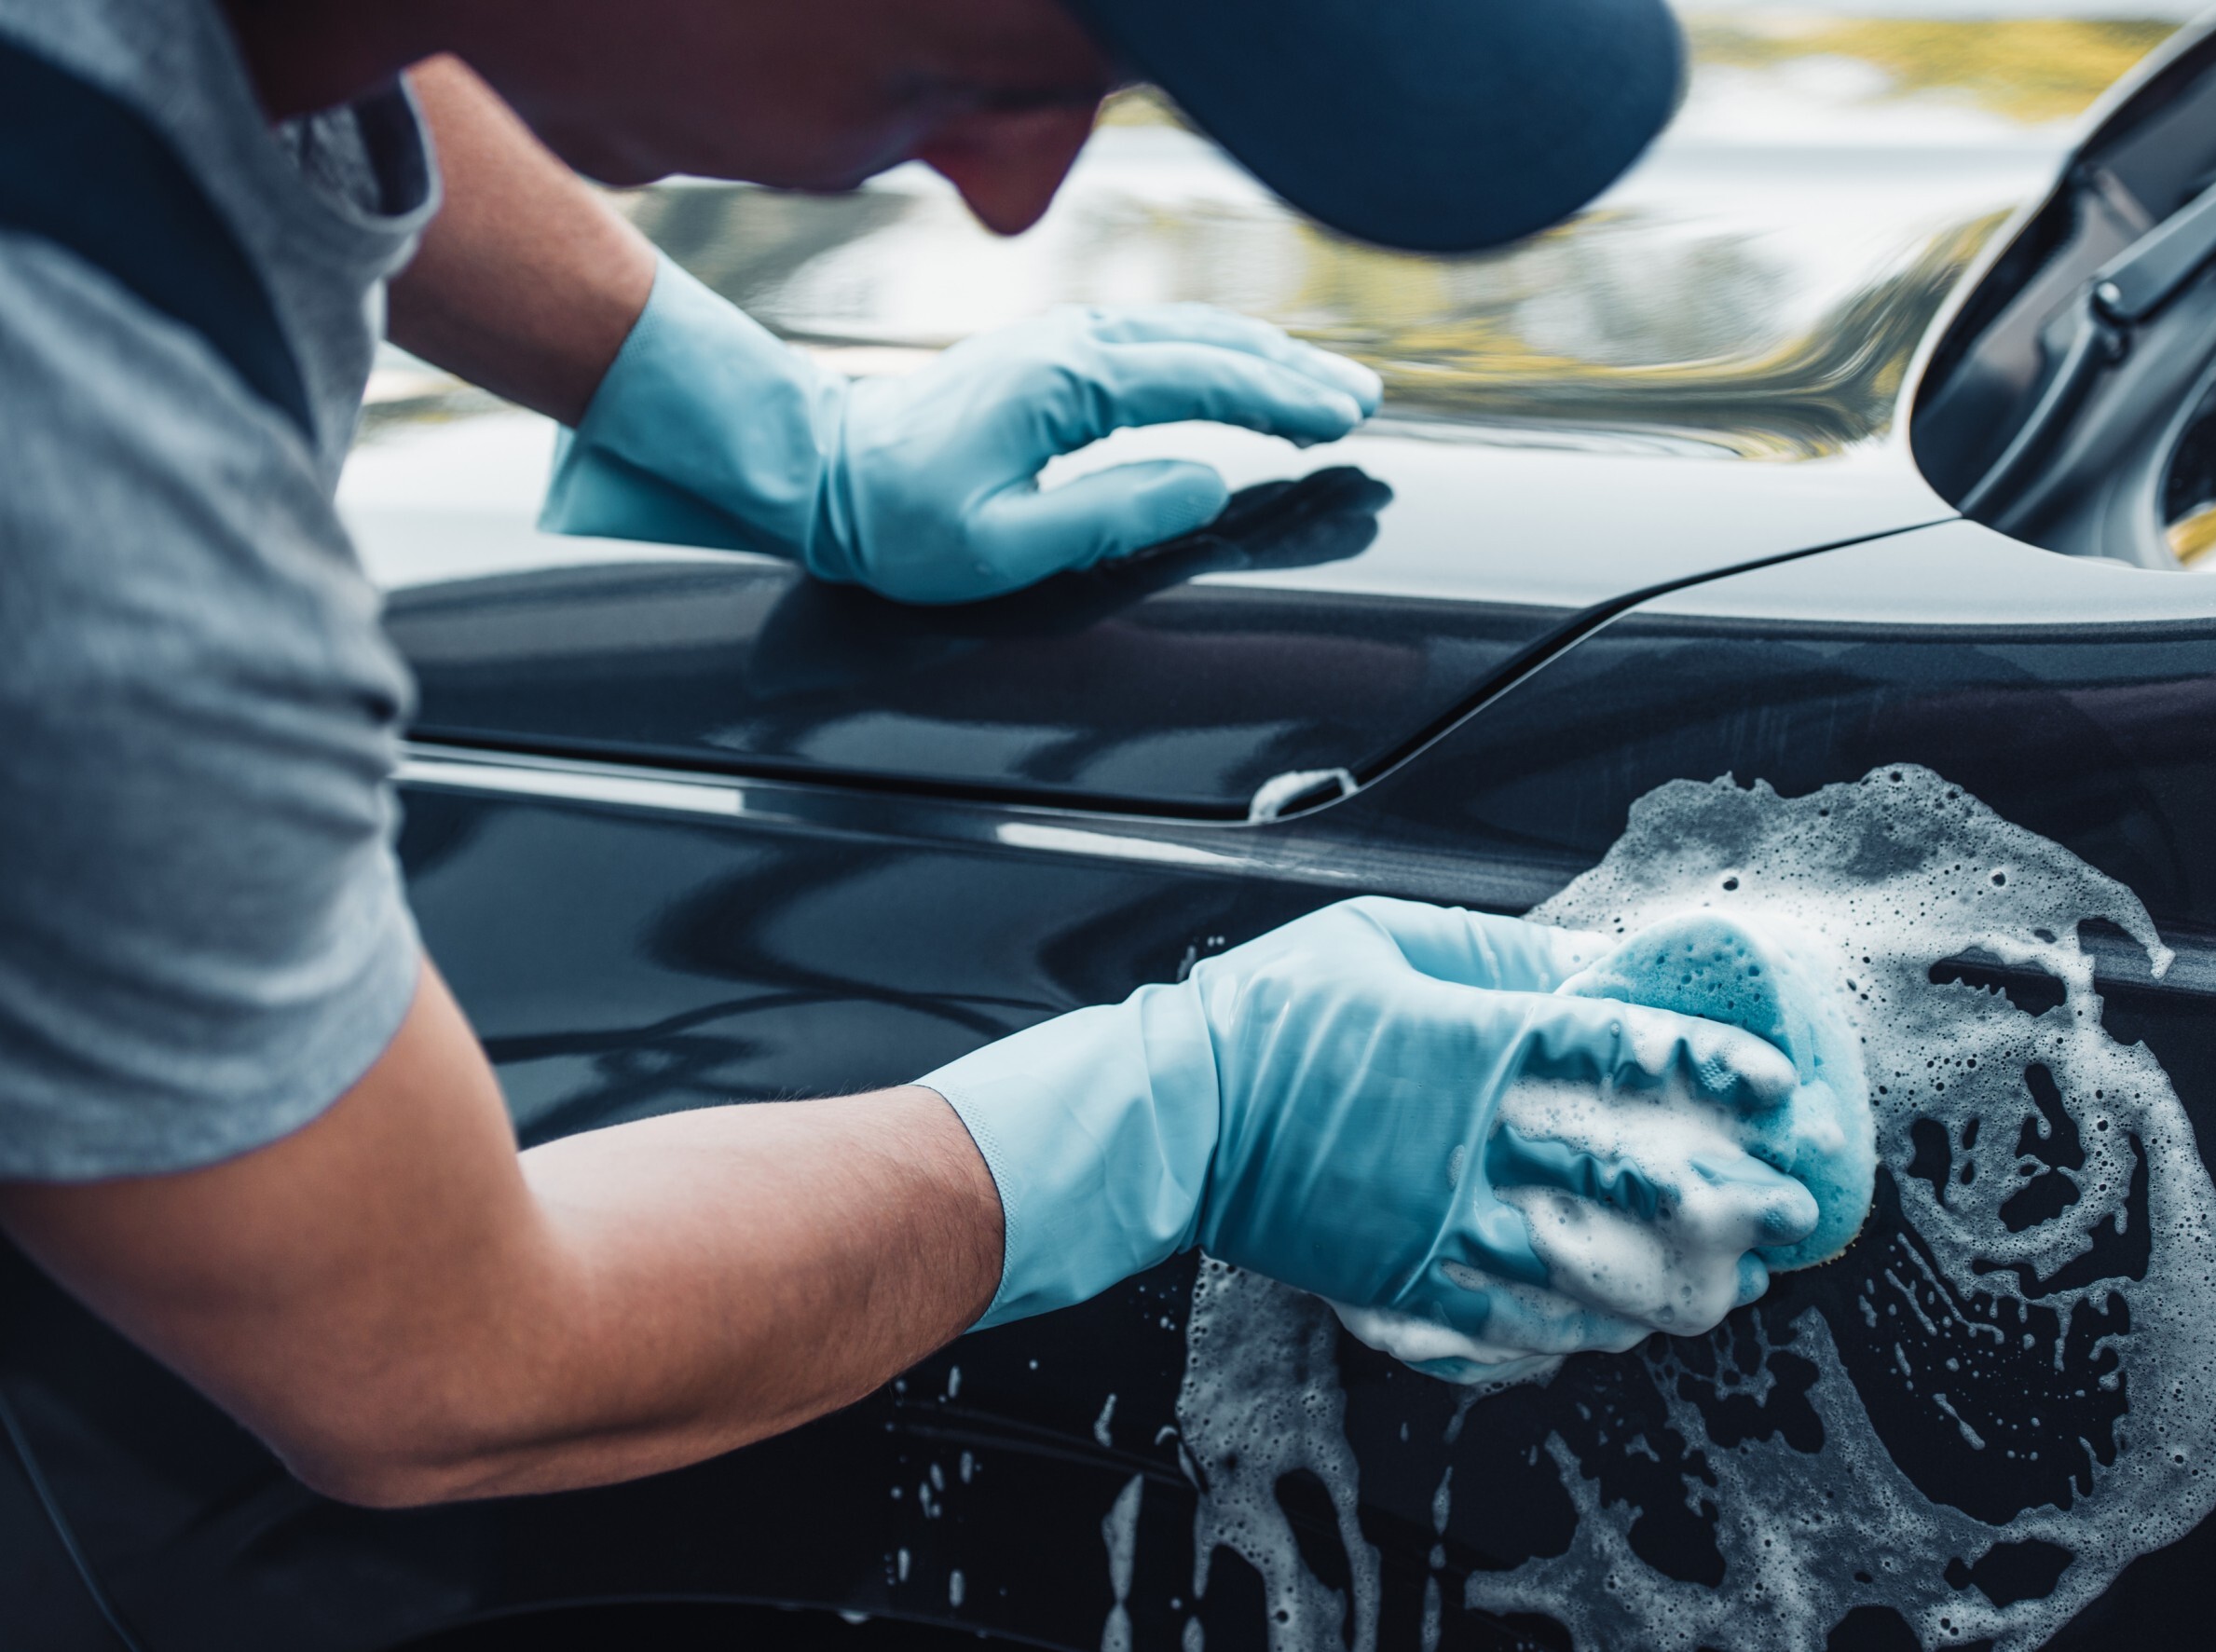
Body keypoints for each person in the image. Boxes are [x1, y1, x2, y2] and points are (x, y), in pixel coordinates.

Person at [0, 0, 1784, 1539]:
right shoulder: (83, 497)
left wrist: (748, 416)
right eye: (989, 57)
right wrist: (1178, 1119)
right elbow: (421, 1361)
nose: (1018, 192)